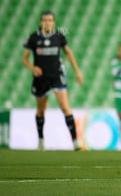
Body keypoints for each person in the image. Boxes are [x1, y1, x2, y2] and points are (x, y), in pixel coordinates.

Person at [22, 11, 83, 151]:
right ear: (40, 22)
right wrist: (32, 68)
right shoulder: (33, 38)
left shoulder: (58, 36)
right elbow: (24, 59)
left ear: (53, 22)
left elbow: (68, 52)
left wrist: (77, 71)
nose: (47, 22)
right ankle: (41, 140)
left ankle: (75, 141)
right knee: (41, 110)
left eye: (50, 20)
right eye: (44, 20)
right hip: (41, 78)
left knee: (64, 107)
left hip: (57, 75)